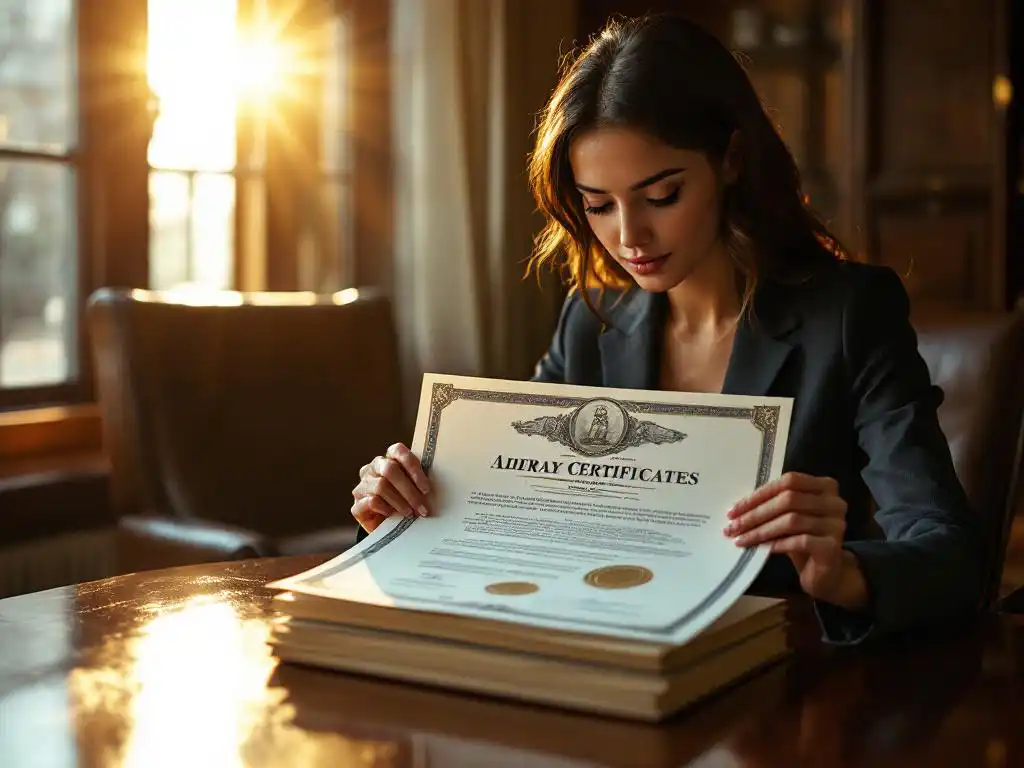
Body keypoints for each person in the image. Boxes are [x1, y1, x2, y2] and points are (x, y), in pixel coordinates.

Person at [349, 13, 985, 644]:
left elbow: (953, 556)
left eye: (661, 197)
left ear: (731, 159)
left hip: (777, 689)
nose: (629, 237)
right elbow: (510, 512)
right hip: (611, 671)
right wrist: (400, 509)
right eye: (598, 205)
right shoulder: (592, 323)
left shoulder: (849, 315)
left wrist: (844, 574)